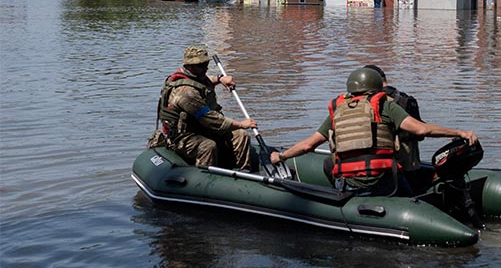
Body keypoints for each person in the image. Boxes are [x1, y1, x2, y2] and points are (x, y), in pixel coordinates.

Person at [270, 67, 478, 196]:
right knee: (409, 191)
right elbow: (421, 129)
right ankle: (410, 204)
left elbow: (309, 145)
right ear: (377, 87)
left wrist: (281, 156)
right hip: (383, 182)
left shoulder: (338, 109)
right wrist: (459, 132)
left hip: (350, 185)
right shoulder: (384, 105)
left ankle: (341, 199)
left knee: (329, 163)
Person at [157, 45, 259, 171]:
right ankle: (205, 178)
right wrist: (241, 124)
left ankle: (243, 172)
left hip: (202, 128)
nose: (205, 68)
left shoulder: (195, 76)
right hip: (183, 136)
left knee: (240, 135)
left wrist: (220, 79)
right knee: (208, 146)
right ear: (190, 66)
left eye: (206, 63)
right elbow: (211, 119)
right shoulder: (186, 93)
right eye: (201, 65)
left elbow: (204, 82)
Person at [362, 65, 424, 182]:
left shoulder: (365, 102)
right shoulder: (407, 99)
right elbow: (420, 134)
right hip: (410, 163)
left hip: (378, 164)